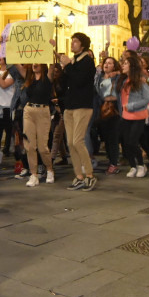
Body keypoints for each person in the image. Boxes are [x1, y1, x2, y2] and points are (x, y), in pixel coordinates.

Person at [59, 33, 98, 191]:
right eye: (72, 41)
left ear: (82, 45)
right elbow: (64, 83)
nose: (72, 43)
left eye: (75, 41)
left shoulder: (87, 61)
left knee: (77, 141)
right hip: (70, 106)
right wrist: (64, 68)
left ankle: (89, 175)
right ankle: (78, 176)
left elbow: (80, 81)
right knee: (70, 143)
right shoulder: (73, 62)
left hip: (83, 105)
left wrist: (68, 66)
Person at [19, 63, 56, 186]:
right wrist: (8, 46)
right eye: (33, 62)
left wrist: (51, 47)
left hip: (43, 112)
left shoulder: (48, 78)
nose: (35, 64)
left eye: (38, 62)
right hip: (29, 111)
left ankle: (49, 169)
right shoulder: (28, 77)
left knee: (42, 147)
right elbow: (15, 62)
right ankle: (33, 174)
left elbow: (52, 65)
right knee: (29, 145)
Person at [119, 52, 149, 177]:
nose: (123, 65)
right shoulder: (124, 80)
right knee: (126, 143)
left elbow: (146, 99)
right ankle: (133, 166)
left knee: (133, 141)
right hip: (125, 116)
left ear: (132, 66)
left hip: (138, 116)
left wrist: (131, 106)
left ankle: (141, 165)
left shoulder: (140, 81)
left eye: (126, 63)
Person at [95, 56, 122, 175]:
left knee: (113, 138)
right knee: (106, 137)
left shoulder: (117, 77)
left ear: (114, 66)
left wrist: (118, 73)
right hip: (102, 108)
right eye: (105, 62)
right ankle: (111, 160)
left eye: (110, 63)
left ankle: (114, 163)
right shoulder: (99, 77)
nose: (106, 65)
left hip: (114, 108)